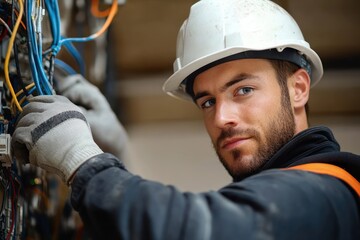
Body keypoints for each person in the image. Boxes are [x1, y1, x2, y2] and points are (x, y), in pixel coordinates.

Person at [11, 0, 360, 239]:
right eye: (207, 101)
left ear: (298, 88)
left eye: (243, 90)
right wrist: (117, 156)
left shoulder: (325, 194)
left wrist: (84, 162)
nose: (222, 117)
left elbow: (194, 229)